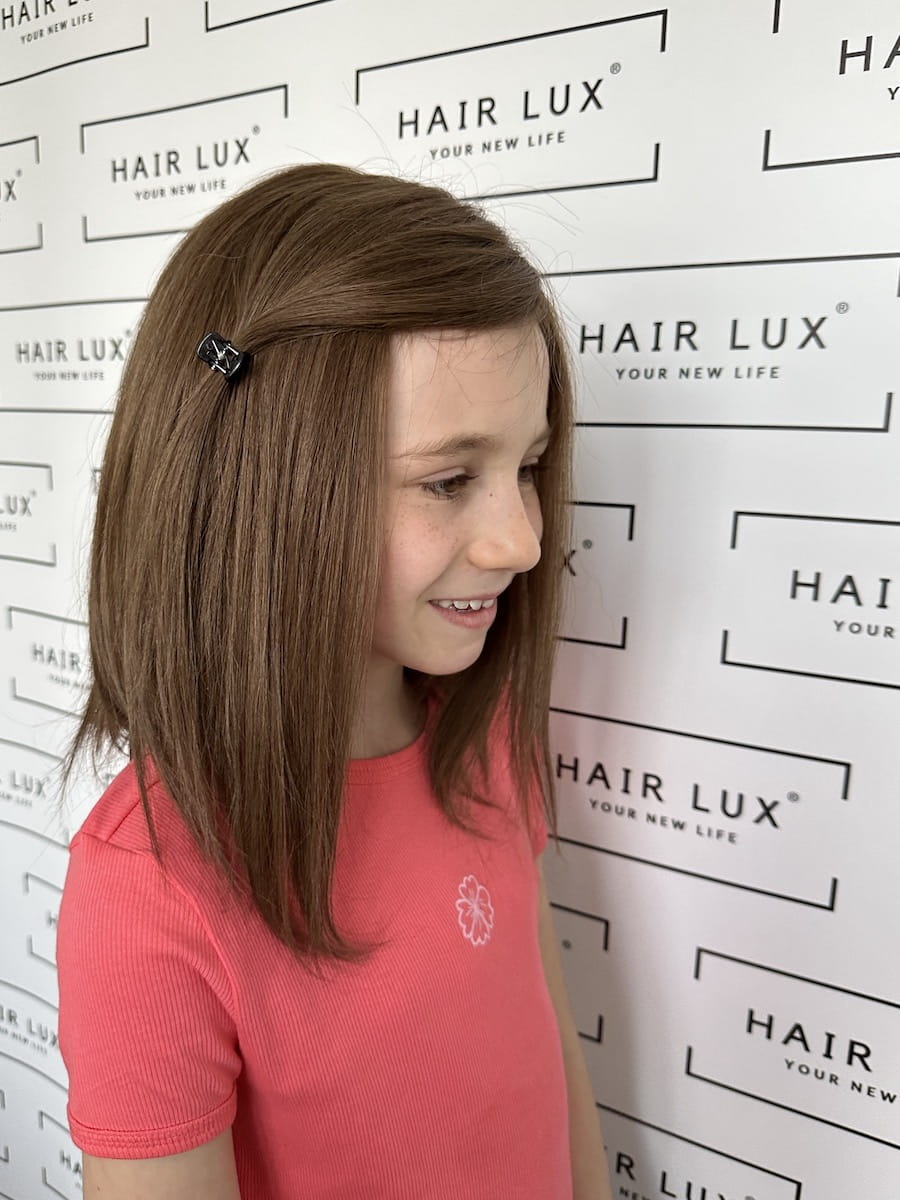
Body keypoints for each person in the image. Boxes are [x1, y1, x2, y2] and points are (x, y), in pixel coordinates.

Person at [53, 162, 613, 1199]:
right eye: (449, 480)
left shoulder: (484, 738)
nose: (523, 541)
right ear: (263, 489)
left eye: (529, 467)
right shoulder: (154, 889)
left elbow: (551, 1055)